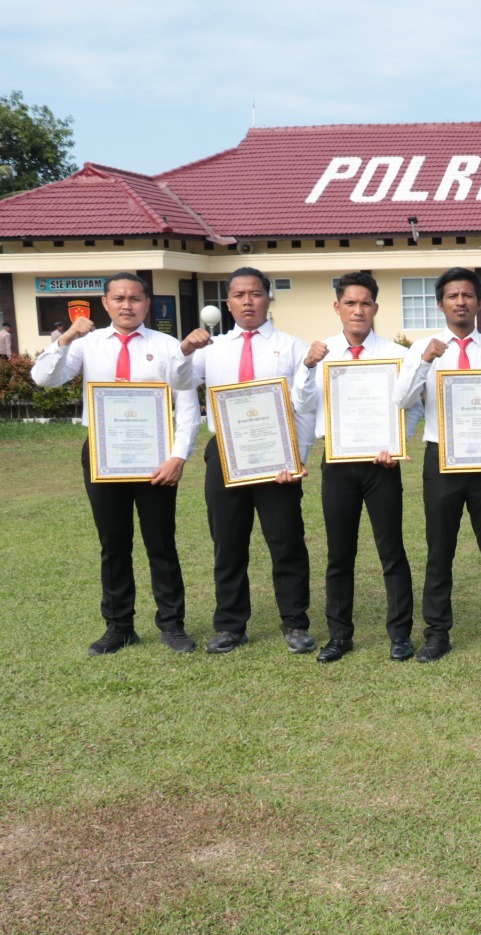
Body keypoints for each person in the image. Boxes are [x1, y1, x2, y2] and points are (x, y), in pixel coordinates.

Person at [30, 272, 209, 654]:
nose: (127, 305)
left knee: (160, 543)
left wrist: (178, 456)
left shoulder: (167, 346)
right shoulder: (87, 344)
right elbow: (44, 378)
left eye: (135, 298)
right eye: (118, 298)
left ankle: (172, 624)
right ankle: (119, 625)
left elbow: (187, 406)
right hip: (103, 456)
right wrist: (64, 337)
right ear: (105, 303)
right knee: (113, 543)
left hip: (155, 458)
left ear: (148, 303)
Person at [396, 267, 481, 663]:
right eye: (452, 296)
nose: (460, 302)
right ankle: (437, 633)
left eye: (468, 295)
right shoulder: (422, 347)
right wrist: (424, 361)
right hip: (442, 458)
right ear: (441, 304)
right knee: (440, 550)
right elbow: (402, 400)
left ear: (479, 303)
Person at [293, 271, 421, 663]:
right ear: (337, 307)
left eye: (365, 303)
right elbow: (302, 404)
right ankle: (339, 635)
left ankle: (399, 634)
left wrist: (397, 443)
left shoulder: (398, 356)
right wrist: (309, 367)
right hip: (338, 462)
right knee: (339, 554)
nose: (358, 310)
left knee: (392, 551)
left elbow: (412, 406)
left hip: (381, 465)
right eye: (350, 303)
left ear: (376, 308)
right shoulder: (319, 353)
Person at [194, 267, 317, 655]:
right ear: (227, 302)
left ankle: (295, 622)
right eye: (239, 294)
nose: (248, 301)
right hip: (225, 455)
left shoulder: (293, 347)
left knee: (286, 542)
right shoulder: (211, 350)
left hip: (278, 460)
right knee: (228, 542)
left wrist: (297, 457)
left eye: (256, 293)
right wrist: (184, 351)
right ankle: (230, 625)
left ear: (268, 297)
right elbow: (179, 382)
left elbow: (306, 408)